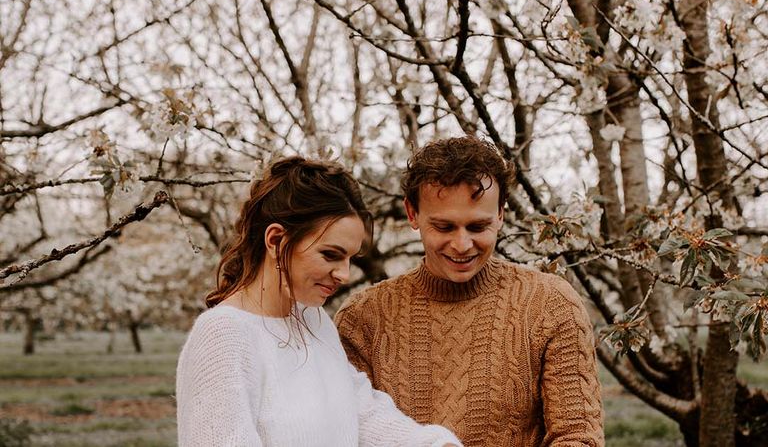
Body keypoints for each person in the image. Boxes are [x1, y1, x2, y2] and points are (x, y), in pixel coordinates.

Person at [335, 136, 604, 447]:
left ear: (501, 213)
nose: (462, 245)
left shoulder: (551, 304)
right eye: (444, 227)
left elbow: (577, 436)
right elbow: (350, 434)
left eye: (478, 227)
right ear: (412, 214)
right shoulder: (363, 319)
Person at [176, 156, 462, 447]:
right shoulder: (223, 336)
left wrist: (434, 445)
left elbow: (362, 414)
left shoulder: (314, 320)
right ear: (276, 241)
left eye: (350, 258)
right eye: (331, 255)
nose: (345, 274)